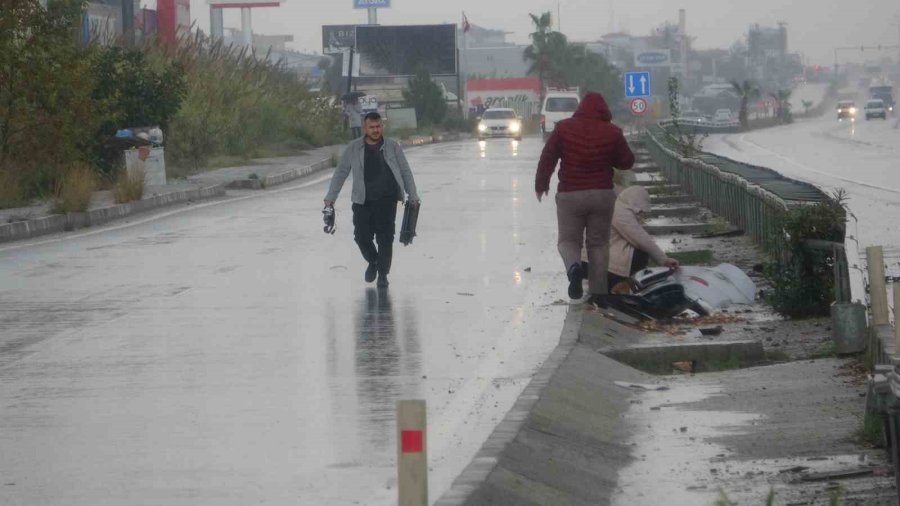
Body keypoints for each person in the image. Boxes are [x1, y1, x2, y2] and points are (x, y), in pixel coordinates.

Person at [535, 91, 635, 305]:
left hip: (570, 195)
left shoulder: (563, 128)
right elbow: (626, 162)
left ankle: (574, 268)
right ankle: (599, 296)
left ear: (579, 108)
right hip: (602, 195)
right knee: (598, 245)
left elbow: (548, 157)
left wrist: (541, 185)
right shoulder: (613, 132)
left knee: (567, 241)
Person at [324, 112, 420, 287]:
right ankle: (373, 261)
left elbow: (405, 171)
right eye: (372, 127)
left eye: (378, 127)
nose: (376, 130)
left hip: (387, 200)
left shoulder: (392, 147)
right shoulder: (353, 148)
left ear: (382, 127)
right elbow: (340, 173)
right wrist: (330, 198)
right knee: (361, 236)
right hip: (362, 201)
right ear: (365, 128)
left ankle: (383, 275)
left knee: (385, 238)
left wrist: (412, 195)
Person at [608, 186, 680, 291]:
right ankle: (621, 286)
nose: (641, 214)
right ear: (634, 203)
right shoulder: (620, 212)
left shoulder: (617, 206)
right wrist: (664, 260)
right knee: (639, 255)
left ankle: (615, 287)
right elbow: (641, 239)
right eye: (640, 210)